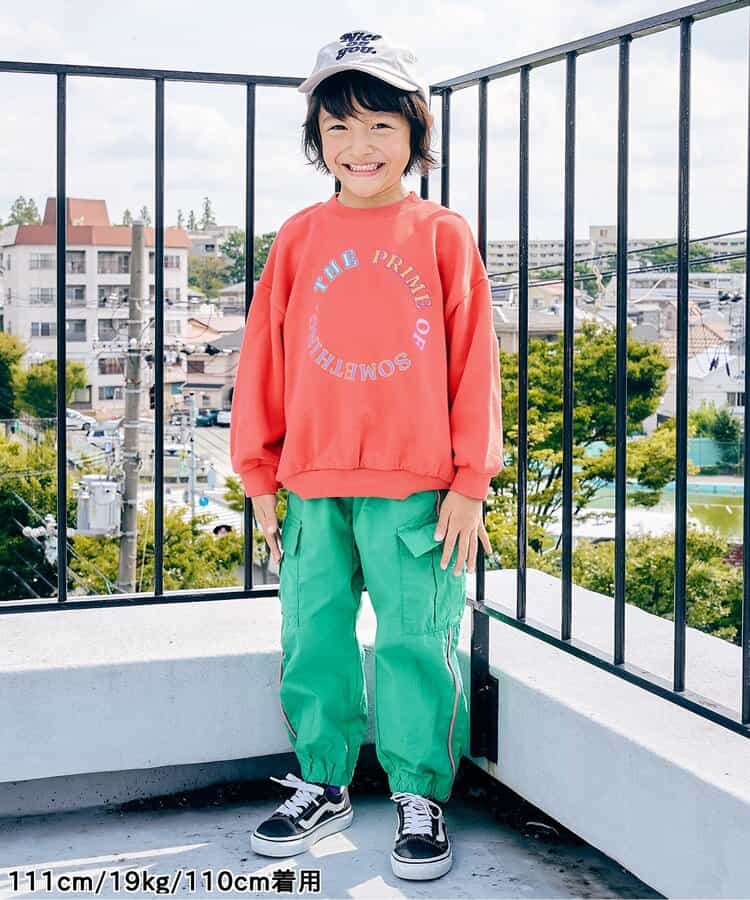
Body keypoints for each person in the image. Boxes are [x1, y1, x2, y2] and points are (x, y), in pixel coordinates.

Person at [229, 28, 503, 882]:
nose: (361, 144)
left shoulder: (442, 234)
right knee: (313, 631)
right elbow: (264, 357)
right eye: (339, 125)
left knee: (416, 637)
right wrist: (258, 473)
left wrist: (471, 480)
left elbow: (474, 362)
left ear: (417, 134)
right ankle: (324, 782)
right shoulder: (299, 237)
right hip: (311, 480)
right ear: (318, 139)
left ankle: (420, 793)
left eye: (383, 124)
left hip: (419, 485)